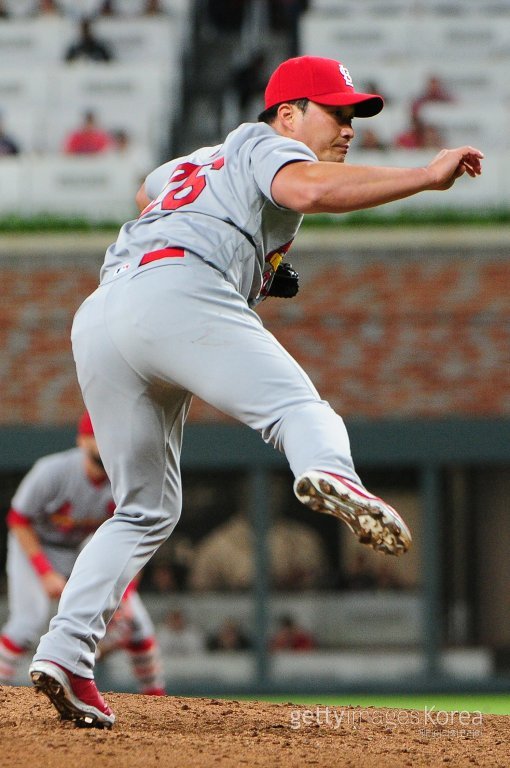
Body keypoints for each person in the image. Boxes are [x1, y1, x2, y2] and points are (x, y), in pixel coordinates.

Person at [29, 54, 483, 728]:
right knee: (301, 411)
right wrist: (424, 174)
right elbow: (312, 193)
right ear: (288, 112)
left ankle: (64, 654)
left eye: (355, 113)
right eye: (336, 110)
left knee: (144, 509)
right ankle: (331, 474)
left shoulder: (204, 159)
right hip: (179, 293)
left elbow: (148, 193)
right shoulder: (267, 143)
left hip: (103, 312)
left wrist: (260, 255)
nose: (350, 125)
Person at [0, 413, 165, 696]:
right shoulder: (52, 471)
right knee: (28, 620)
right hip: (36, 544)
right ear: (81, 440)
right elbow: (17, 520)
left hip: (82, 547)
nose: (103, 444)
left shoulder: (126, 480)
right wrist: (45, 571)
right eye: (96, 436)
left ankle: (159, 702)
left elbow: (134, 541)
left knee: (137, 622)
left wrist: (123, 594)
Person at [188, 510, 328, 591]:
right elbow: (199, 590)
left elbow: (319, 585)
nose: (272, 492)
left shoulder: (303, 538)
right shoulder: (217, 542)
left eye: (277, 484)